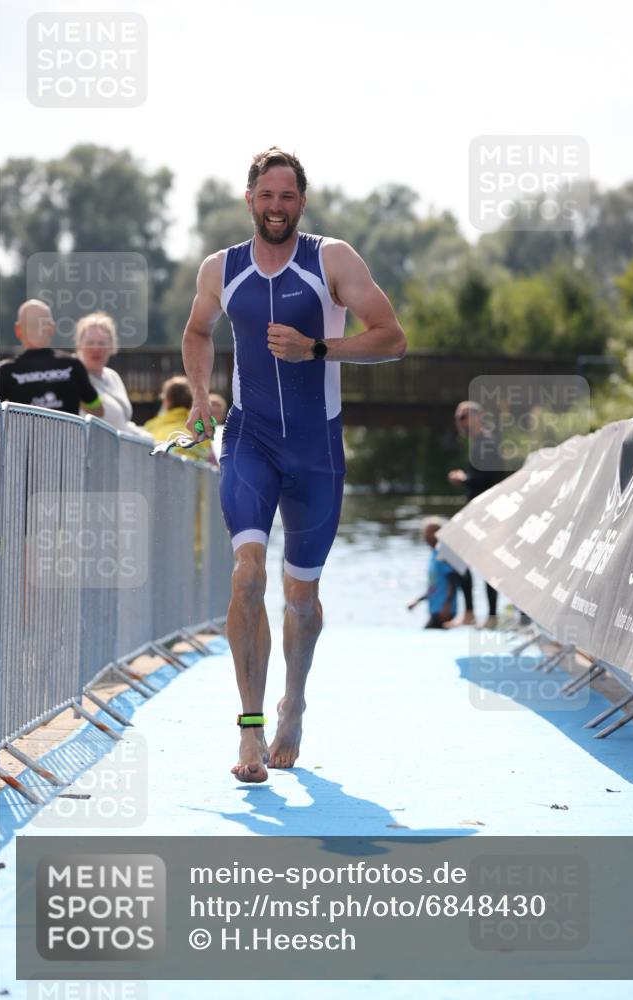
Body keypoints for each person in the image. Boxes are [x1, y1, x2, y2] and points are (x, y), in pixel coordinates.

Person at [181, 147, 406, 783]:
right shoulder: (220, 269)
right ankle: (249, 730)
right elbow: (198, 332)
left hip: (316, 448)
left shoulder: (330, 259)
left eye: (288, 197)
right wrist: (200, 400)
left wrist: (318, 348)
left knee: (300, 599)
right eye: (266, 195)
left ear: (300, 203)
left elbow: (392, 337)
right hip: (249, 439)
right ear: (249, 199)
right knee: (246, 575)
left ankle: (294, 701)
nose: (276, 206)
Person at [447, 400, 504, 628]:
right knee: (456, 556)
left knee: (483, 563)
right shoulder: (479, 443)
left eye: (464, 417)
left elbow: (491, 478)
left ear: (478, 417)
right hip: (475, 512)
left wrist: (463, 479)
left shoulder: (487, 443)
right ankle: (473, 613)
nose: (460, 423)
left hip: (486, 513)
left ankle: (489, 616)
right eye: (458, 418)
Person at [0, 299, 104, 417]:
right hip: (69, 435)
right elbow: (97, 409)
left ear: (18, 330)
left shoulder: (6, 370)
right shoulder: (72, 365)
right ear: (52, 328)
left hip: (23, 436)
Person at [74, 311, 152, 440]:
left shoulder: (112, 376)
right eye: (90, 342)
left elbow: (123, 425)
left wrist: (152, 440)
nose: (96, 348)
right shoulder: (72, 376)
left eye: (102, 343)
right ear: (79, 346)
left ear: (111, 346)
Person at [143, 375, 212, 461]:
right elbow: (212, 463)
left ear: (166, 401)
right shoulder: (201, 428)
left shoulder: (151, 426)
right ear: (192, 400)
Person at [407, 516, 457, 628]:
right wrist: (417, 601)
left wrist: (447, 605)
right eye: (425, 533)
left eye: (430, 533)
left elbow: (453, 580)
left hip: (444, 610)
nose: (426, 536)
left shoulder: (444, 554)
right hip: (435, 608)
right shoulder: (433, 555)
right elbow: (434, 587)